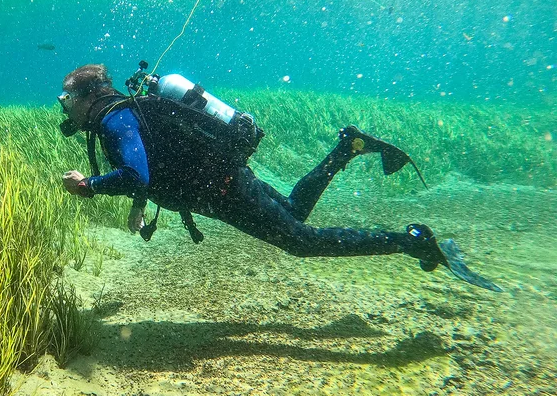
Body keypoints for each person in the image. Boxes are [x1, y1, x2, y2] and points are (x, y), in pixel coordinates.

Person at [58, 63, 501, 292]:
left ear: (88, 96)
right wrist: (139, 202)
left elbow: (136, 173)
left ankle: (415, 241)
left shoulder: (114, 121)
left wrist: (88, 186)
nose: (63, 106)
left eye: (66, 98)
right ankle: (347, 147)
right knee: (294, 211)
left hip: (223, 189)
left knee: (301, 241)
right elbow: (152, 166)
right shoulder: (125, 113)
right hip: (224, 178)